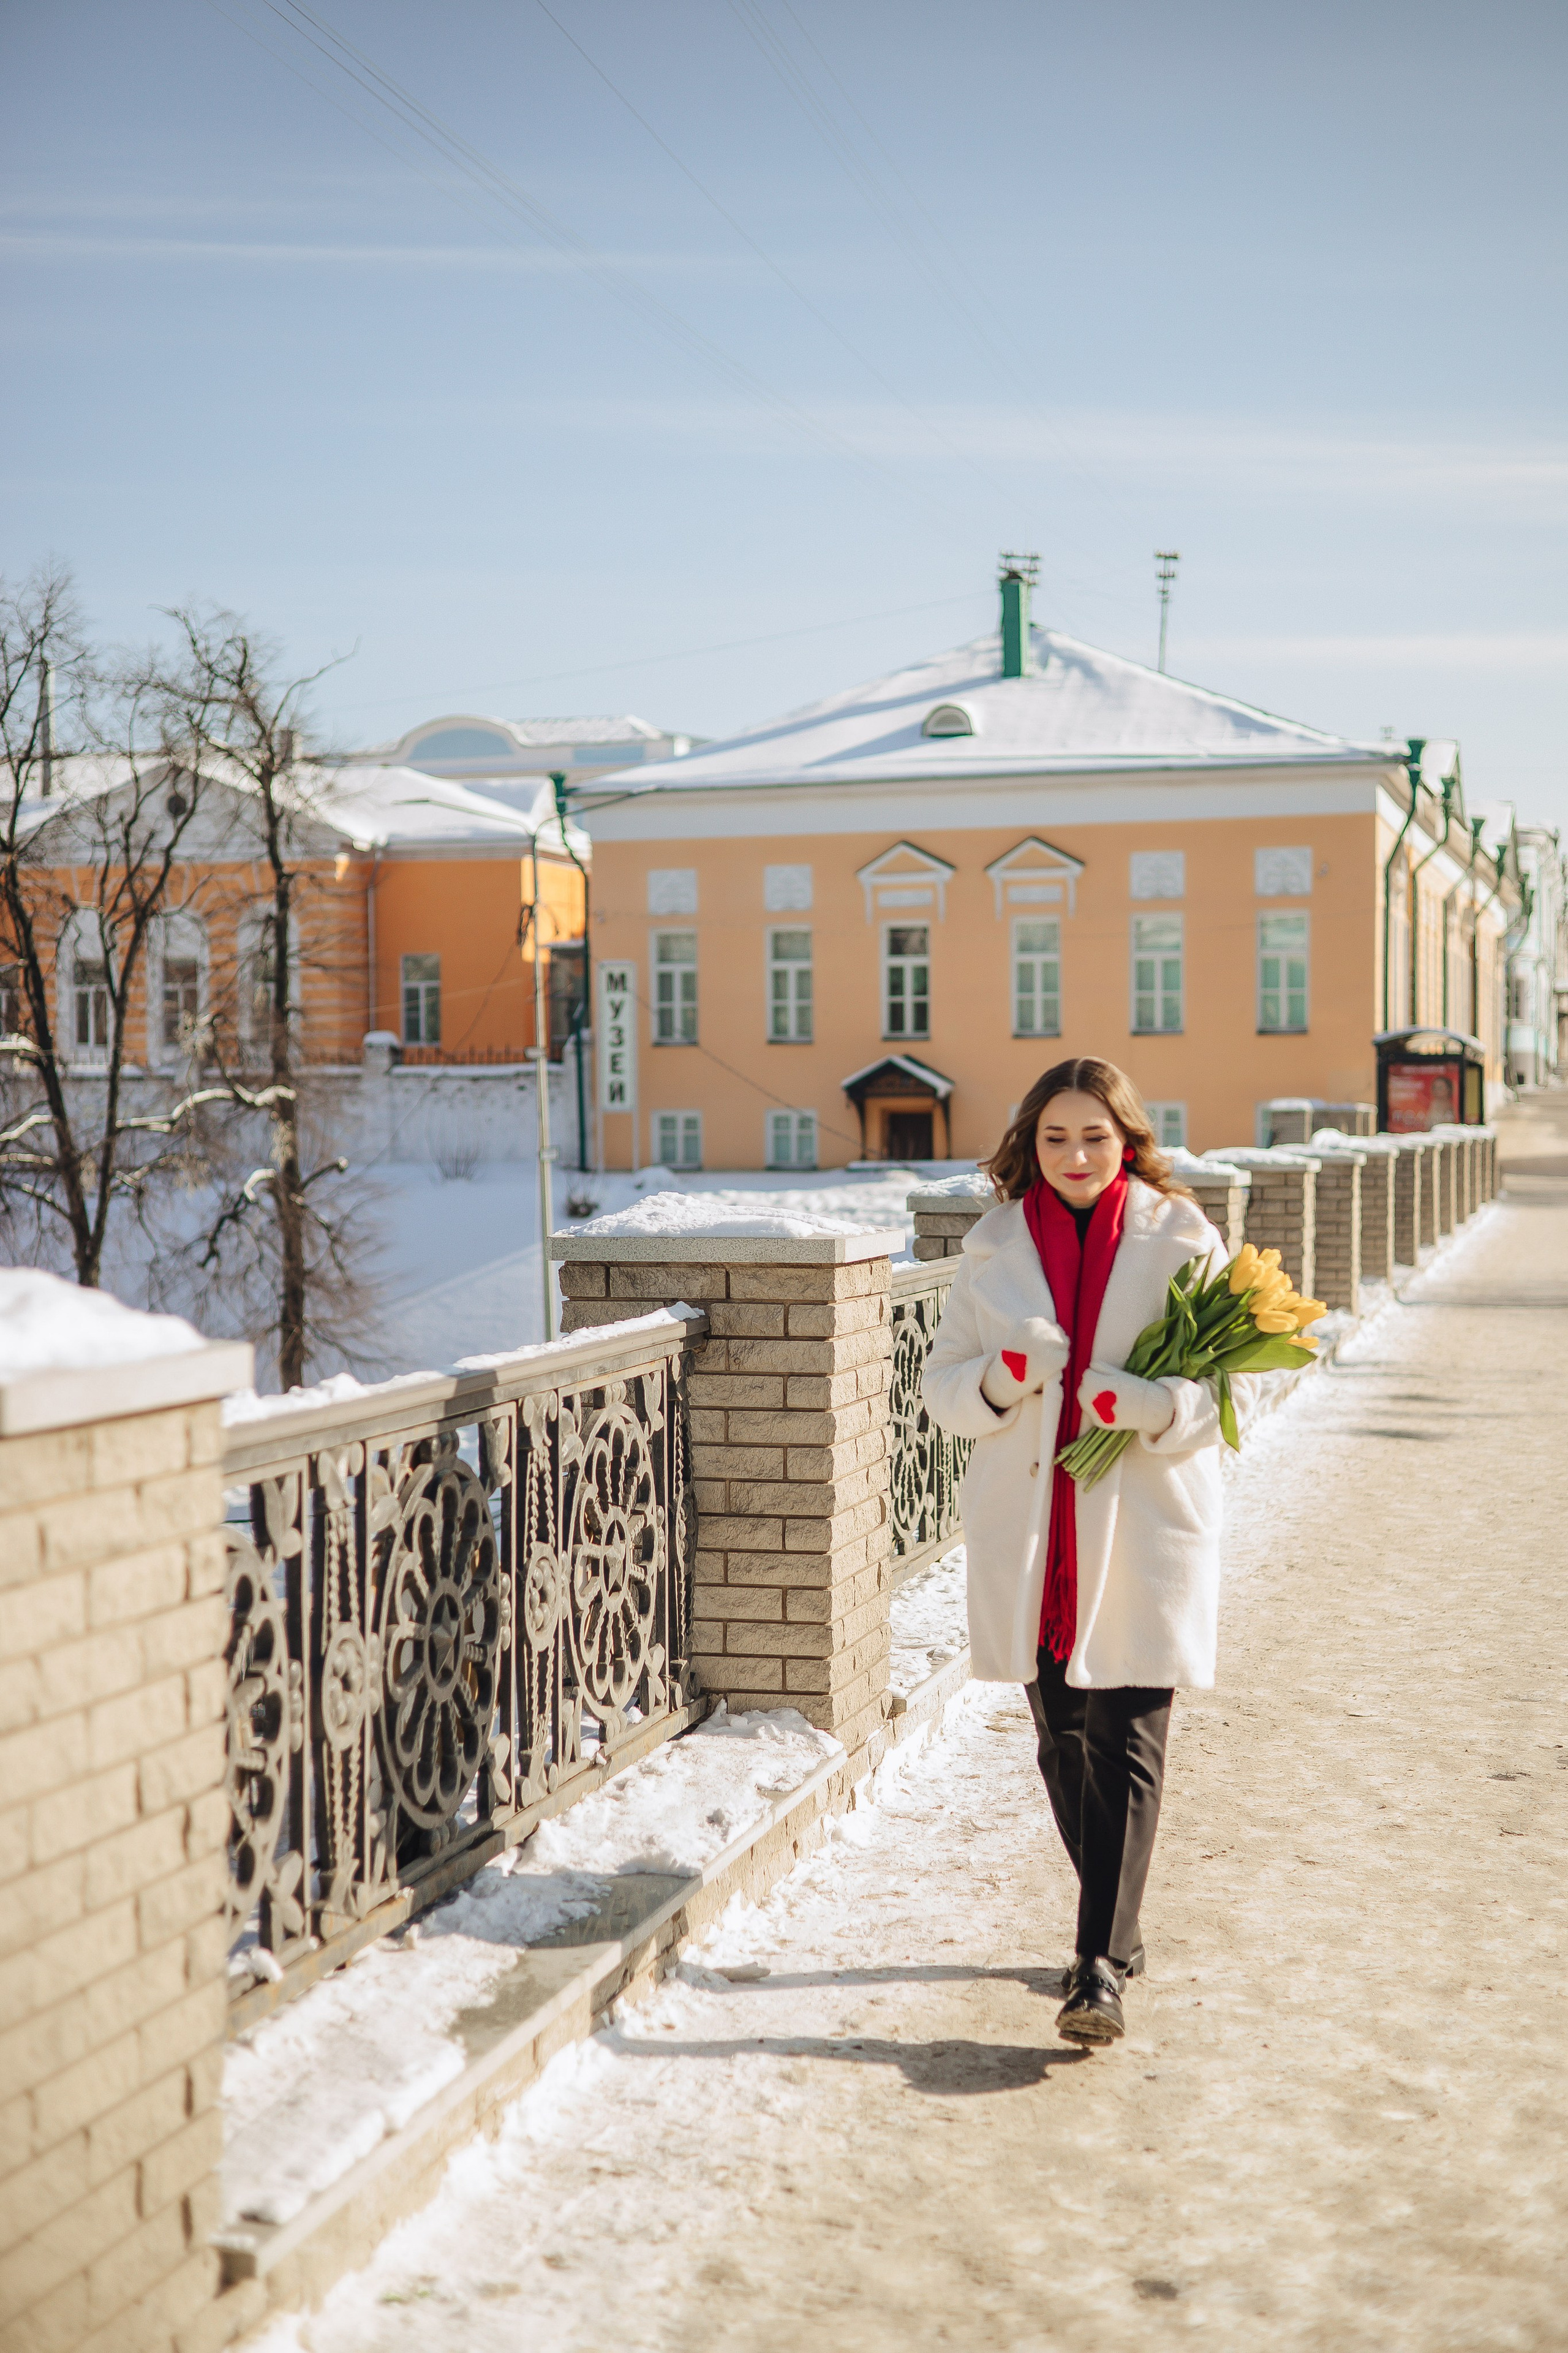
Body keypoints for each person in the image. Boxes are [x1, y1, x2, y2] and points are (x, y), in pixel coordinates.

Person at [921, 1056, 1244, 2046]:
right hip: (1035, 1536)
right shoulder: (992, 1249)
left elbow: (1231, 1394)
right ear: (1031, 1143)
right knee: (1064, 1740)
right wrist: (1004, 1379)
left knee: (1127, 1743)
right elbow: (939, 1386)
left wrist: (1144, 1405)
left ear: (1128, 1140)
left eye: (1094, 1136)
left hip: (1144, 1527)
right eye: (1055, 1137)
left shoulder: (1182, 1239)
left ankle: (1096, 1965)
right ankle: (1120, 1923)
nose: (1074, 1155)